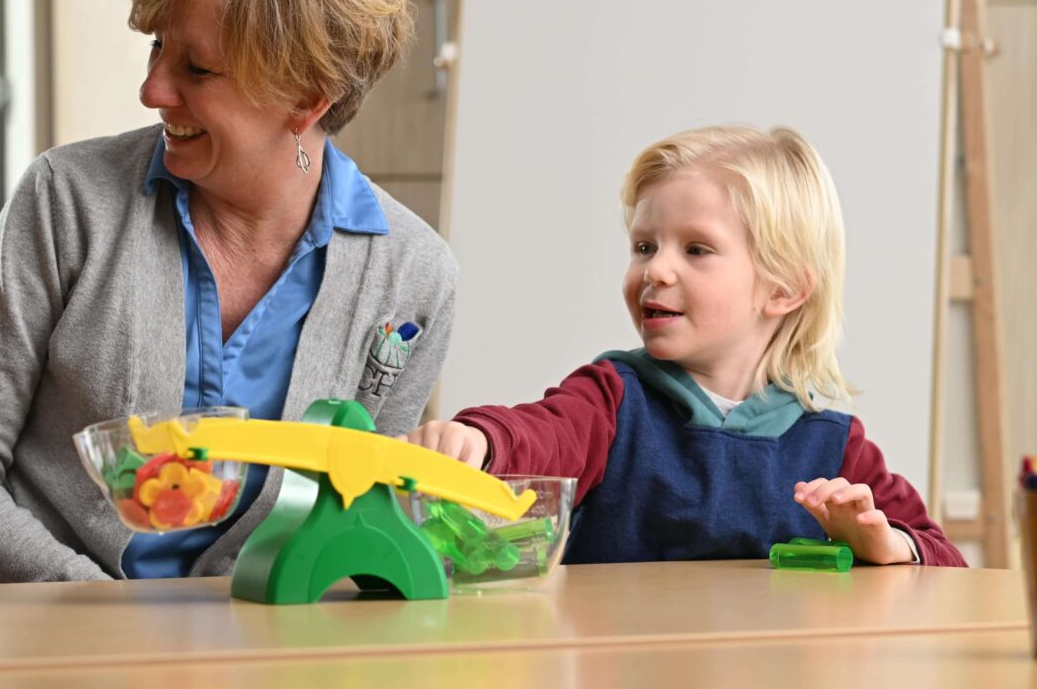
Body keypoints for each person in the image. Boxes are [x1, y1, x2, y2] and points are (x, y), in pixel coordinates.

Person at [0, 0, 456, 581]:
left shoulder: (412, 275)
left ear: (305, 98)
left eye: (198, 69)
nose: (152, 90)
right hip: (55, 637)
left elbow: (362, 514)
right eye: (157, 47)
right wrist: (87, 604)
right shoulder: (68, 200)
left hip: (266, 656)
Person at [402, 125, 964, 566]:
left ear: (784, 289)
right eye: (644, 246)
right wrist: (479, 438)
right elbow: (542, 434)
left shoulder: (835, 446)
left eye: (696, 249)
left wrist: (886, 543)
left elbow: (944, 559)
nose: (656, 270)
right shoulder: (611, 400)